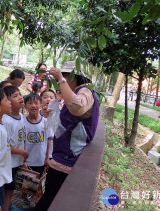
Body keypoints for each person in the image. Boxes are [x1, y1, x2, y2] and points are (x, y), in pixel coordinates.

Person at [34, 61, 99, 211]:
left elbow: (78, 108)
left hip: (68, 161)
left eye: (64, 76)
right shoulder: (77, 92)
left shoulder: (85, 92)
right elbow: (66, 124)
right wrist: (49, 114)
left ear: (74, 76)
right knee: (50, 197)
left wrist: (61, 81)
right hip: (63, 157)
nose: (61, 80)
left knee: (49, 198)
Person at [23, 93, 52, 211]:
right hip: (28, 160)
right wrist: (23, 160)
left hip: (41, 159)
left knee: (40, 184)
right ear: (25, 106)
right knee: (26, 183)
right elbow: (21, 142)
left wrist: (47, 158)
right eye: (29, 103)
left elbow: (49, 140)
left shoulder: (45, 122)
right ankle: (25, 201)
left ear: (41, 105)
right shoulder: (23, 123)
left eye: (36, 103)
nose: (33, 106)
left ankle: (37, 203)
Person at [3, 86, 29, 211]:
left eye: (20, 94)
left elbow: (21, 138)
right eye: (15, 96)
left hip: (17, 161)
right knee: (7, 188)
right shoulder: (6, 120)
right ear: (6, 102)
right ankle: (5, 207)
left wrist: (23, 159)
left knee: (11, 187)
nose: (20, 97)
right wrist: (22, 152)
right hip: (8, 162)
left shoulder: (20, 116)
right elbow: (4, 146)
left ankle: (7, 206)